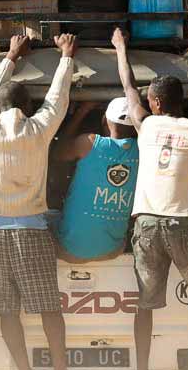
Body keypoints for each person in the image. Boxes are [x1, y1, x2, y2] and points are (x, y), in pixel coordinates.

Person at [112, 26, 188, 370]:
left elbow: (128, 88)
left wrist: (120, 47)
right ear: (181, 101)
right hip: (181, 226)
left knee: (146, 305)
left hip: (145, 227)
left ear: (156, 103)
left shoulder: (147, 126)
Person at [0, 32, 77, 370]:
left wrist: (11, 55)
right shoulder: (38, 129)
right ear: (27, 107)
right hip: (32, 232)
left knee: (6, 311)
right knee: (49, 307)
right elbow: (57, 99)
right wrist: (66, 56)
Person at [54, 97, 140, 261]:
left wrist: (81, 112)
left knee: (48, 215)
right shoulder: (143, 150)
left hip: (69, 249)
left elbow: (58, 152)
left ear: (105, 120)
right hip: (113, 250)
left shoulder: (90, 143)